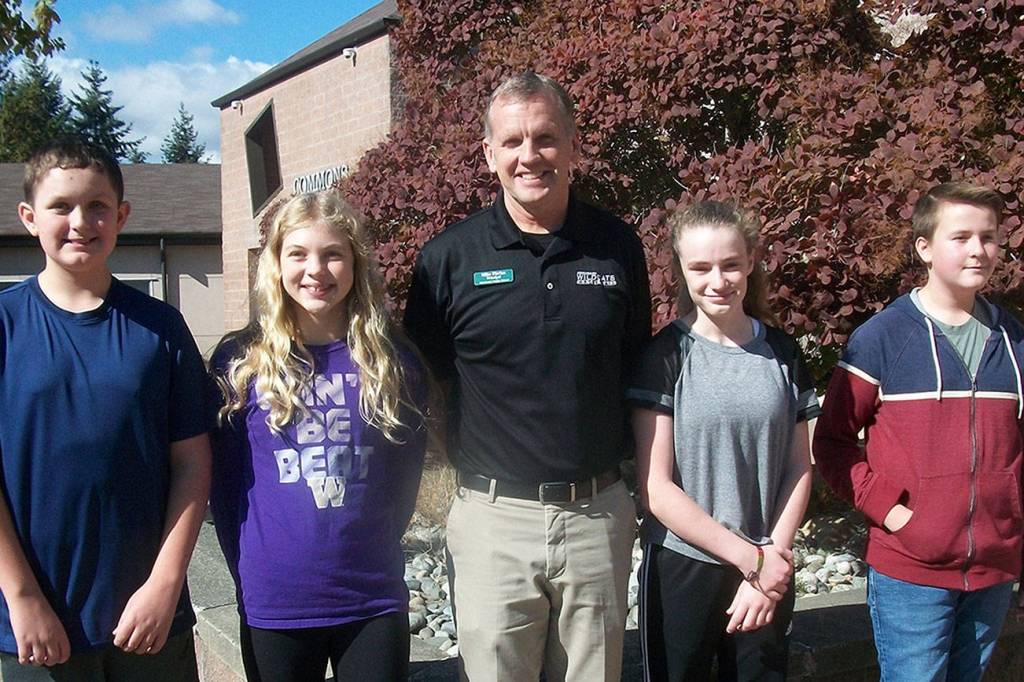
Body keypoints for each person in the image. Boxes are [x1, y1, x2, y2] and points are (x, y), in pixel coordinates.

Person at [403, 71, 651, 681]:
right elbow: (423, 387)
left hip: (597, 517)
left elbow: (636, 370)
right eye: (512, 141)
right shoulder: (448, 259)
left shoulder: (617, 246)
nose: (529, 155)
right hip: (492, 522)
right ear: (489, 153)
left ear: (572, 145)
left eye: (545, 138)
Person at [0, 138, 211, 680]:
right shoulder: (5, 326)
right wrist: (22, 597)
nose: (80, 222)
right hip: (35, 623)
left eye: (97, 206)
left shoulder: (160, 328)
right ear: (28, 217)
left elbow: (192, 462)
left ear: (121, 216)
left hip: (148, 617)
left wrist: (165, 584)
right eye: (60, 206)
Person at [208, 190, 426, 682]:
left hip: (371, 596)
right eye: (298, 254)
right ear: (276, 263)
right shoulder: (240, 361)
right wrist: (247, 571)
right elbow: (224, 486)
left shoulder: (393, 360)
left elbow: (405, 476)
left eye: (332, 254)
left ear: (355, 262)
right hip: (276, 600)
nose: (316, 270)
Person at [814, 182, 1024, 681]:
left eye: (988, 237)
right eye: (961, 237)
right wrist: (895, 513)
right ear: (925, 248)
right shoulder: (882, 339)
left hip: (995, 568)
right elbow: (832, 443)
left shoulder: (1015, 340)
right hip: (911, 570)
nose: (978, 249)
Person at [627, 201, 817, 680]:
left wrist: (770, 560)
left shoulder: (783, 353)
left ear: (751, 261)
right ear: (680, 271)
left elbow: (799, 466)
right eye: (701, 268)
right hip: (684, 565)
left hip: (768, 563)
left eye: (731, 264)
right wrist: (750, 559)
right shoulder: (664, 356)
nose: (718, 281)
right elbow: (656, 489)